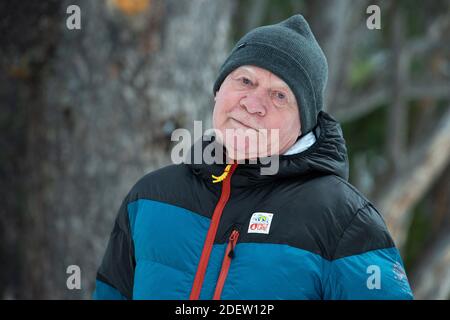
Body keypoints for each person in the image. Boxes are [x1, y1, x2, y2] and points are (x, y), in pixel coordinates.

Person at [93, 14, 414, 300]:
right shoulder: (150, 197)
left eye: (279, 96)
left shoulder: (343, 220)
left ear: (303, 123)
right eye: (245, 81)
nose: (253, 104)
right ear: (218, 89)